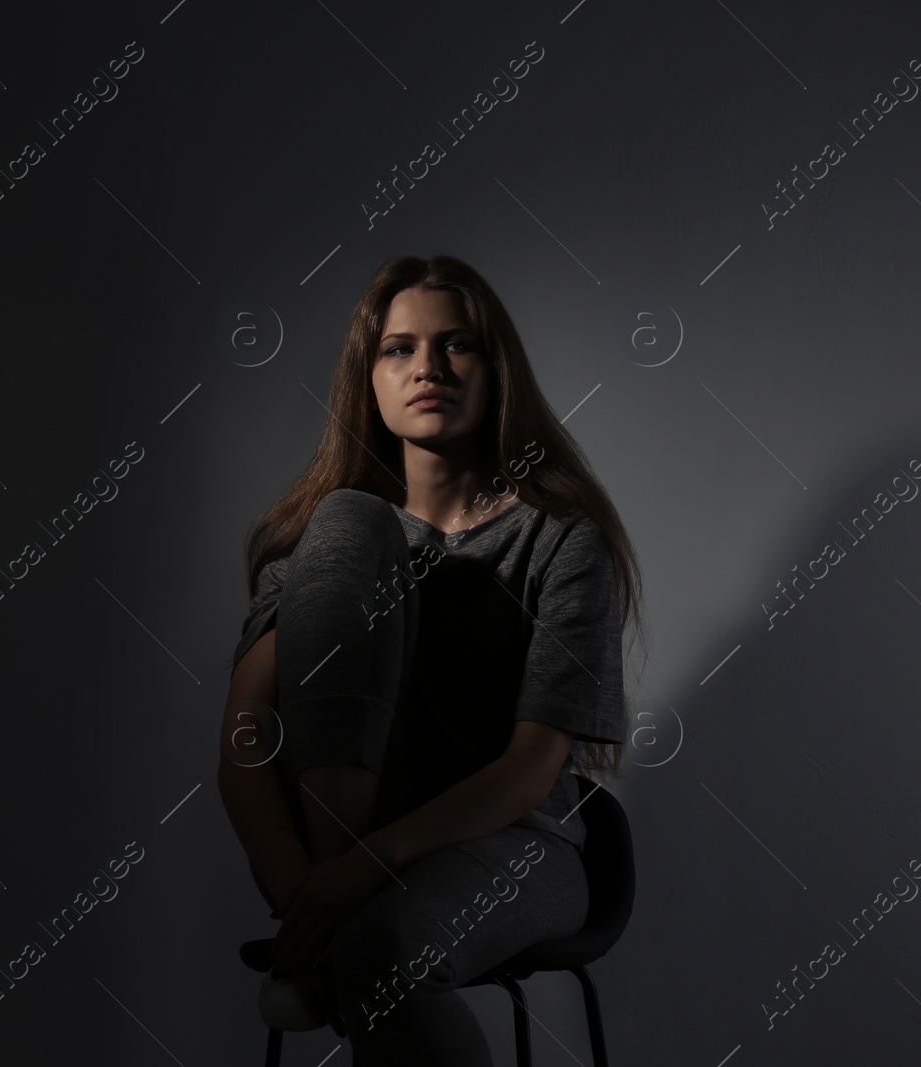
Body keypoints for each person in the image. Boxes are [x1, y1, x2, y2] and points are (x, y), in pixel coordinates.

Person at [216, 254, 647, 1065]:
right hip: (335, 845)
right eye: (399, 348)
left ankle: (348, 938)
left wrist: (353, 880)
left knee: (379, 957)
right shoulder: (323, 547)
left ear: (497, 370)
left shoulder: (559, 540)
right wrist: (305, 894)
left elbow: (529, 770)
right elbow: (243, 748)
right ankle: (344, 930)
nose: (429, 368)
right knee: (347, 521)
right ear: (368, 378)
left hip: (515, 842)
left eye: (458, 346)